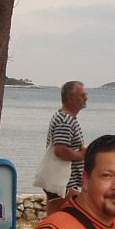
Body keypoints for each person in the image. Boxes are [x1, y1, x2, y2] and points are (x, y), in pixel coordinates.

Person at [42, 81, 88, 214]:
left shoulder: (64, 117)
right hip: (64, 183)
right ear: (71, 98)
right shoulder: (65, 120)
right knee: (81, 214)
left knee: (55, 219)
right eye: (82, 95)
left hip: (59, 182)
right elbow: (60, 150)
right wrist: (82, 155)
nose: (86, 97)